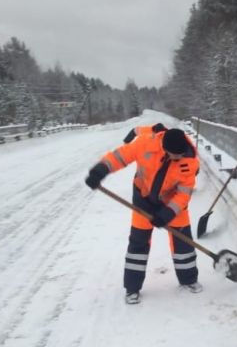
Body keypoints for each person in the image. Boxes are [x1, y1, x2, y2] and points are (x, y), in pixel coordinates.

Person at [85, 127, 201, 304]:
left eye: (179, 155)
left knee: (183, 243)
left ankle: (189, 279)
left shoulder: (190, 161)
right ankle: (132, 289)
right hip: (143, 200)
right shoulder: (146, 143)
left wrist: (167, 213)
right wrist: (100, 170)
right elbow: (120, 156)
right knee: (138, 244)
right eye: (173, 155)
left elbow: (184, 194)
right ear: (164, 147)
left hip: (173, 204)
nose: (177, 158)